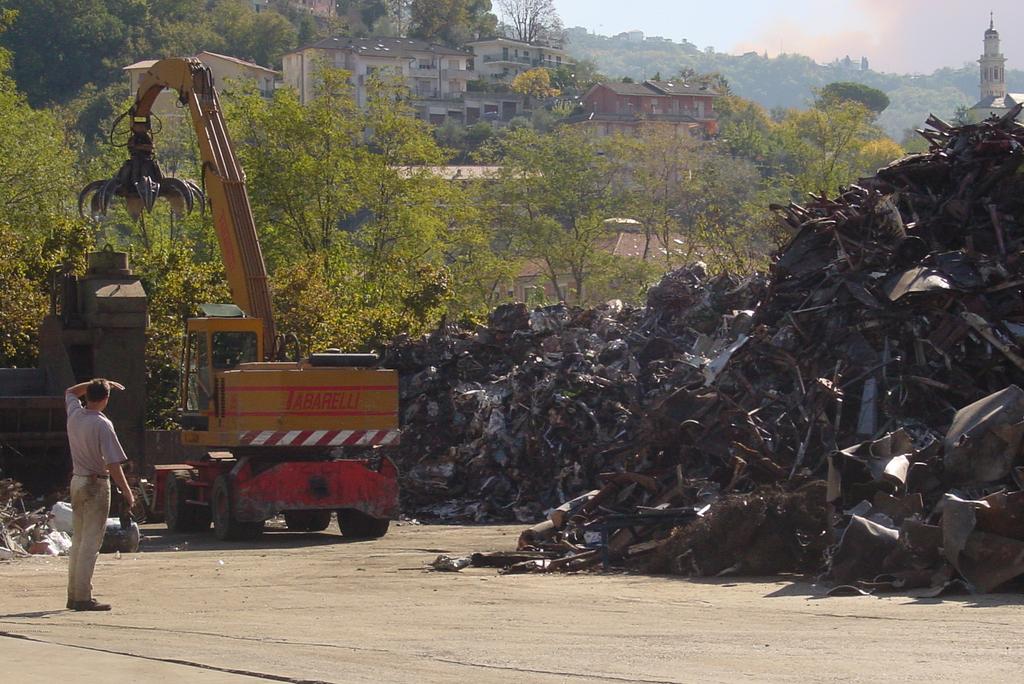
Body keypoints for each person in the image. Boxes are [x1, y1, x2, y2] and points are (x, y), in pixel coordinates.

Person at [64, 378, 135, 611]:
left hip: (77, 481)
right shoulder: (103, 425)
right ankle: (83, 597)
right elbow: (114, 464)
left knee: (79, 540)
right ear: (106, 399)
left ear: (87, 396)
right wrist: (127, 492)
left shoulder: (75, 414)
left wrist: (102, 382)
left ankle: (74, 594)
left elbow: (70, 391)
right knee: (91, 543)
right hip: (96, 484)